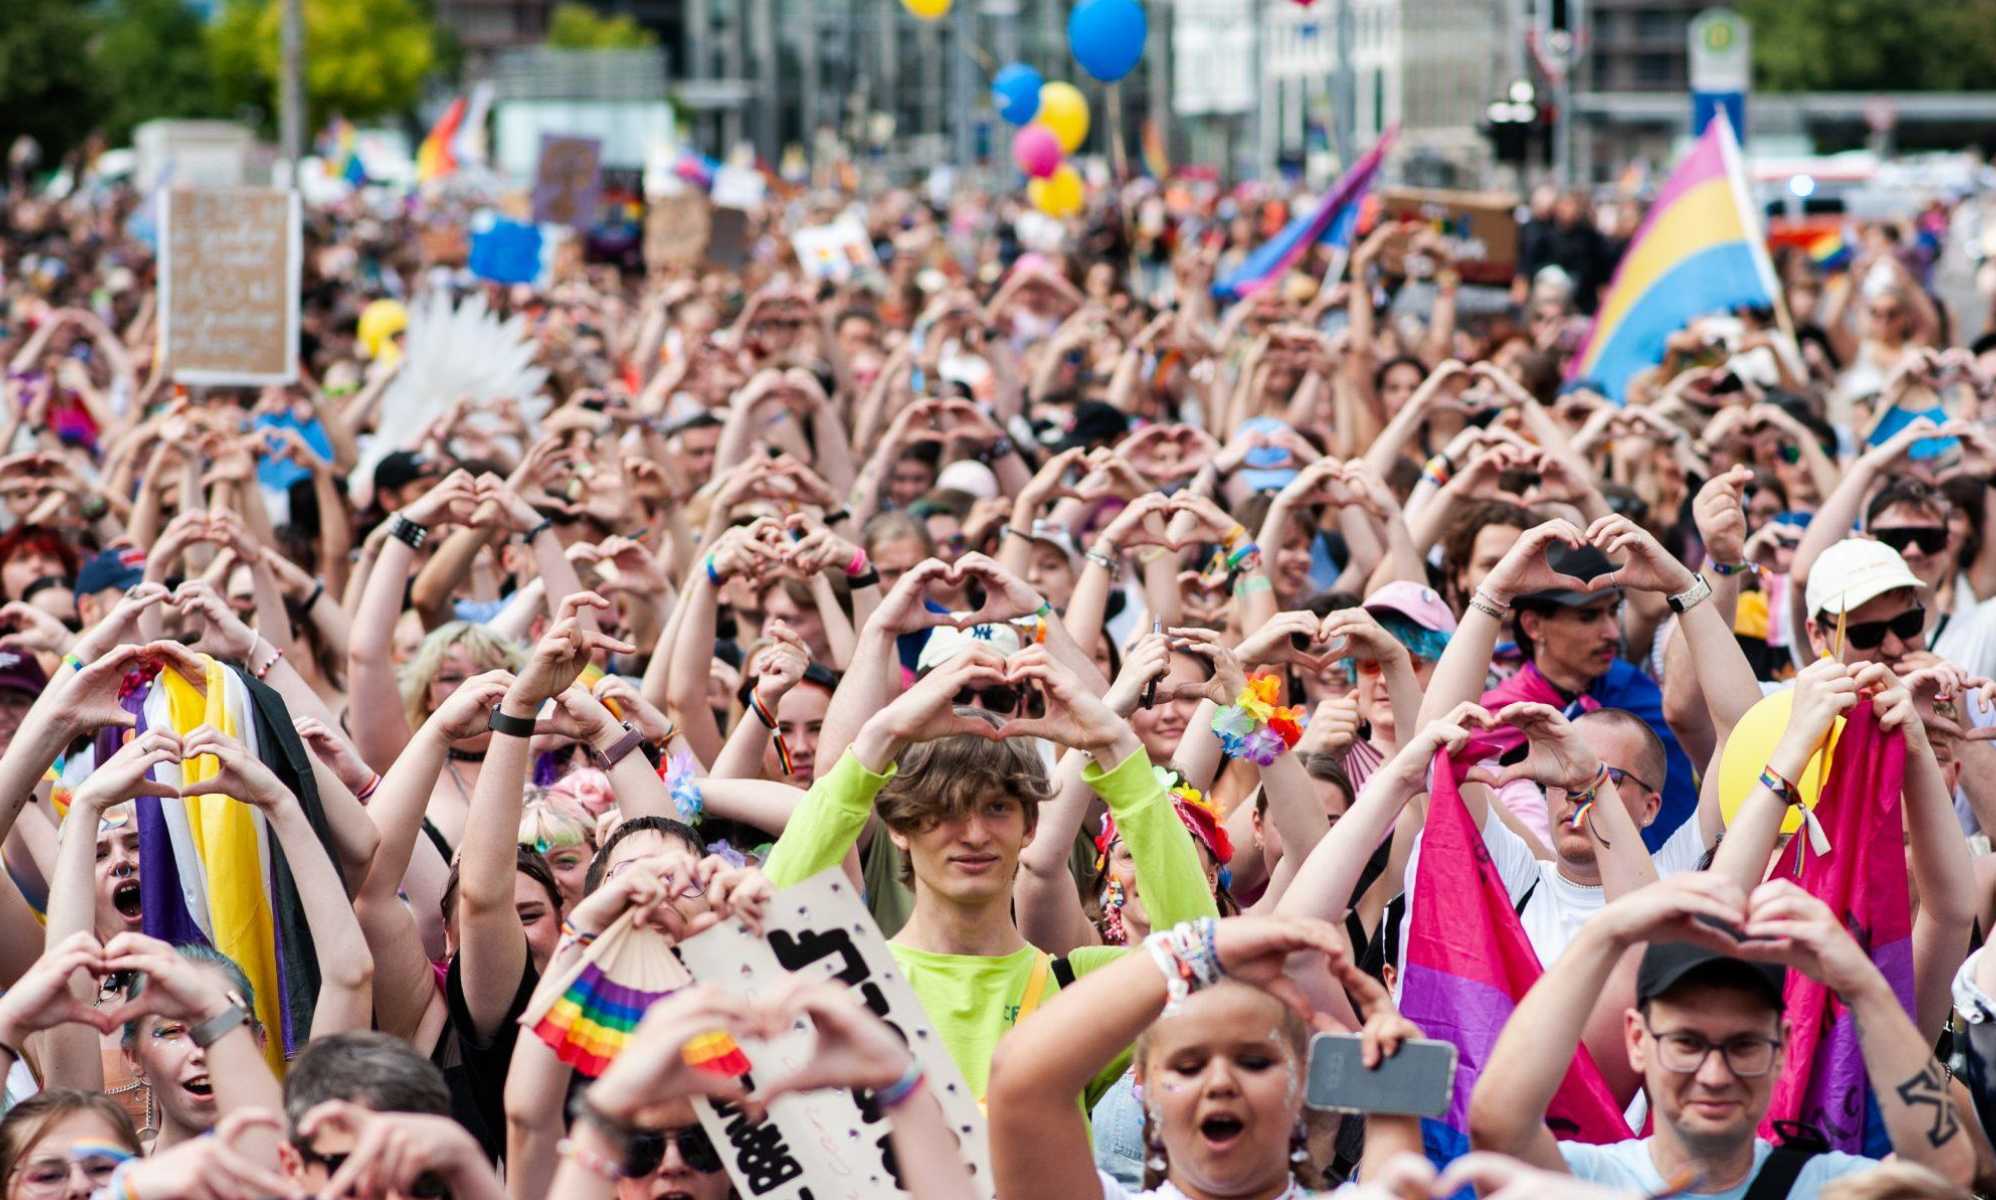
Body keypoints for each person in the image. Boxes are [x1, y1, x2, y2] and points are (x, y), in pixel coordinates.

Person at [1469, 874, 1977, 1196]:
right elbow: (1497, 1126)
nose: (1714, 1075)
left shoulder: (1826, 1188)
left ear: (1782, 1047)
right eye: (1687, 1043)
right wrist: (1605, 933)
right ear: (1638, 1040)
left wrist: (1863, 984)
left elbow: (1944, 1174)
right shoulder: (1581, 1183)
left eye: (1743, 1046)